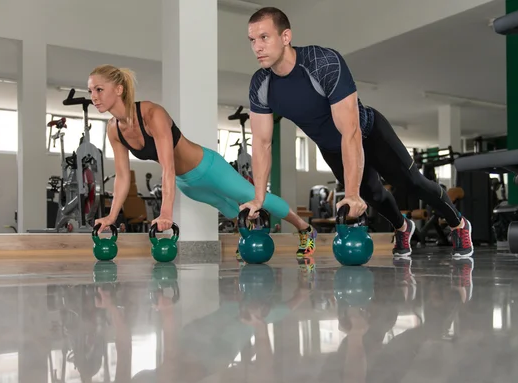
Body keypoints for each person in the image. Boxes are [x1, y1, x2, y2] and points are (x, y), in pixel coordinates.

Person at [241, 7, 473, 258]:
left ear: (286, 37)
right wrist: (258, 198)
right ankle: (403, 227)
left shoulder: (322, 63)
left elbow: (350, 132)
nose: (257, 47)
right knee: (372, 195)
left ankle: (458, 224)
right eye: (252, 40)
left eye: (264, 37)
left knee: (412, 184)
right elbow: (262, 142)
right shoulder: (261, 84)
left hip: (369, 132)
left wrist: (350, 193)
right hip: (331, 147)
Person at [87, 64, 318, 258]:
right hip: (186, 184)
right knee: (227, 208)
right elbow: (123, 176)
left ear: (118, 89)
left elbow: (167, 166)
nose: (94, 97)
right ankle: (249, 238)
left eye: (99, 89)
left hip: (208, 168)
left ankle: (305, 229)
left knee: (254, 196)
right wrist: (111, 216)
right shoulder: (113, 130)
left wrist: (167, 212)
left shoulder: (151, 114)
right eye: (90, 91)